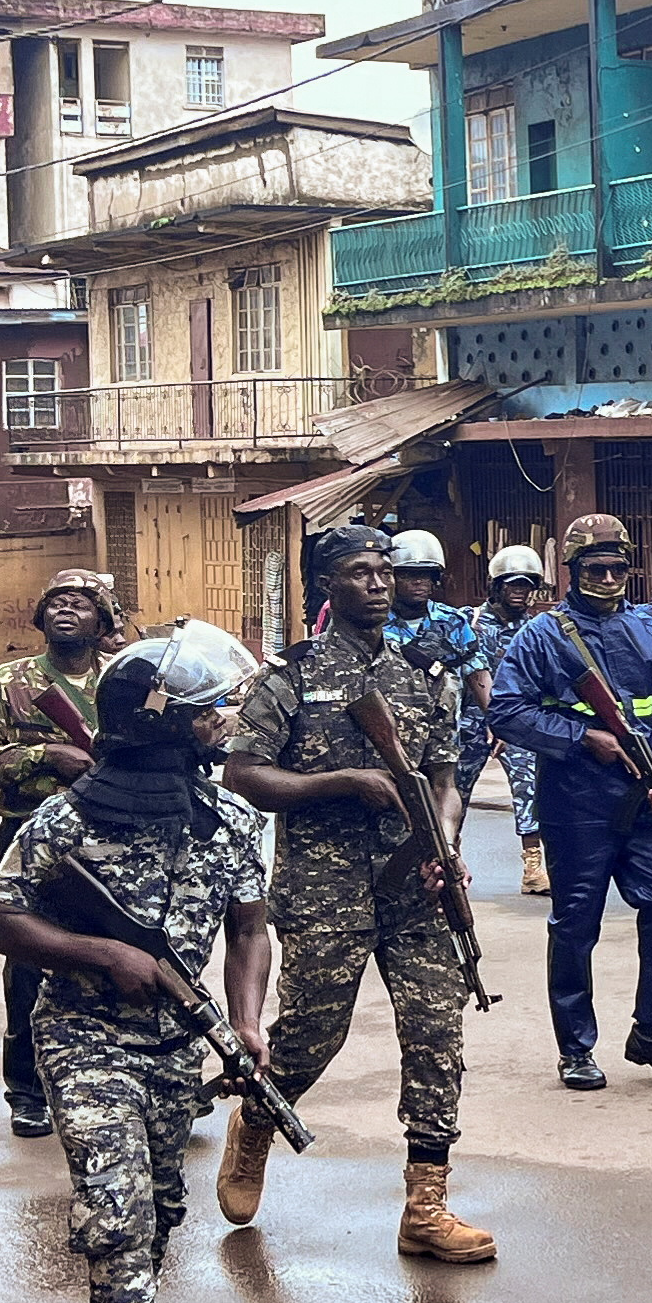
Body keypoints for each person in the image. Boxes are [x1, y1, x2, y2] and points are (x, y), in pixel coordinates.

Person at [0, 623, 273, 1303]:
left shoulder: (229, 818)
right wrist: (100, 953)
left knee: (163, 1207)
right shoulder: (63, 818)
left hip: (177, 1042)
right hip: (80, 1033)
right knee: (116, 1202)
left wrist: (246, 1023)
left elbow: (249, 929)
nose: (225, 722)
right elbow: (2, 921)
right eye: (211, 712)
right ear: (163, 722)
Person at [218, 523, 494, 1257]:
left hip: (415, 886)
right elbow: (243, 774)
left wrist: (446, 843)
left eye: (384, 570)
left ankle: (426, 1205)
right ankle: (258, 1121)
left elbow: (444, 778)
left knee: (438, 1031)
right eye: (360, 572)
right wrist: (341, 783)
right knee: (312, 1034)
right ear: (327, 586)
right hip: (324, 887)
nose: (378, 582)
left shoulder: (424, 675)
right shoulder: (290, 676)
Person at [487, 514, 652, 1092]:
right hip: (576, 798)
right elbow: (506, 711)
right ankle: (576, 1047)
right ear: (573, 571)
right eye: (595, 569)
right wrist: (586, 738)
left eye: (617, 568)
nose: (608, 578)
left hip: (646, 791)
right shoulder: (543, 634)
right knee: (576, 923)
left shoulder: (650, 630)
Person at [0, 568, 123, 1137]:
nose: (65, 610)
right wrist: (44, 757)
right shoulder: (8, 682)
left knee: (130, 955)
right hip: (32, 838)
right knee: (28, 963)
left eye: (80, 603)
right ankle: (27, 1090)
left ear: (102, 621)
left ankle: (132, 1078)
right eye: (56, 602)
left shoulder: (125, 679)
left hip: (116, 836)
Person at [377, 532, 484, 840]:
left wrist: (498, 720)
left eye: (426, 575)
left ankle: (447, 862)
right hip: (389, 734)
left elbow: (476, 672)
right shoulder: (373, 620)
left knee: (448, 805)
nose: (419, 582)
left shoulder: (452, 621)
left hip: (444, 734)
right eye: (409, 574)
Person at [469, 547, 552, 896]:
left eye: (526, 585)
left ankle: (532, 866)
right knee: (452, 792)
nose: (519, 591)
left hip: (517, 719)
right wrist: (490, 721)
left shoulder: (535, 627)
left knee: (528, 785)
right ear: (497, 585)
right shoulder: (471, 623)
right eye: (512, 584)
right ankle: (445, 857)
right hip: (471, 719)